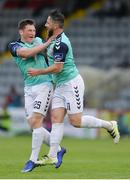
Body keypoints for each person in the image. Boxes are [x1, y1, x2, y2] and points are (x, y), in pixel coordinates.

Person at [28, 9, 120, 166]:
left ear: (56, 25)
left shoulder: (61, 43)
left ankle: (109, 125)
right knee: (56, 119)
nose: (45, 24)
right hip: (60, 86)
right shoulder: (51, 38)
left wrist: (39, 72)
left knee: (75, 122)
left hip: (72, 84)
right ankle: (52, 155)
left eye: (48, 22)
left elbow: (58, 68)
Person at [8, 19, 66, 173]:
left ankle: (32, 160)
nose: (33, 33)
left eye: (34, 31)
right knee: (34, 126)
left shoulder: (39, 40)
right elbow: (26, 53)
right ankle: (59, 149)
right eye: (29, 31)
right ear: (21, 31)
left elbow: (37, 52)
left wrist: (39, 47)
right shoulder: (14, 46)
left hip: (45, 85)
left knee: (36, 121)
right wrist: (42, 46)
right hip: (29, 88)